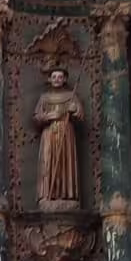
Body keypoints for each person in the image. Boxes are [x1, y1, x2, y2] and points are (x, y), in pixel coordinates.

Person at [33, 67, 83, 209]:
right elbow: (36, 118)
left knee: (65, 162)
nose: (56, 80)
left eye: (60, 77)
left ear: (65, 79)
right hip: (49, 133)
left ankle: (67, 195)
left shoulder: (71, 96)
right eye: (54, 77)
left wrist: (75, 110)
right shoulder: (44, 98)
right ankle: (47, 195)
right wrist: (48, 116)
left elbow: (80, 115)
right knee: (48, 162)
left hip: (66, 133)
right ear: (49, 79)